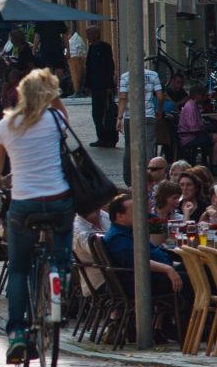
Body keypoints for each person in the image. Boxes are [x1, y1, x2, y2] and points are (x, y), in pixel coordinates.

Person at [0, 68, 73, 365]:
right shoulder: (56, 119)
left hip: (24, 205)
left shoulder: (6, 125)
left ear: (19, 94)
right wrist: (52, 95)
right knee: (61, 249)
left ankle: (18, 334)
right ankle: (61, 277)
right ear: (47, 96)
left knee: (19, 269)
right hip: (58, 201)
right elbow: (63, 115)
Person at [102, 194, 186, 342]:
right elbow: (137, 263)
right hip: (143, 283)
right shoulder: (118, 237)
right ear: (120, 216)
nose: (140, 215)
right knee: (194, 280)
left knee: (195, 270)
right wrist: (168, 269)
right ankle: (187, 330)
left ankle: (172, 327)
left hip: (152, 277)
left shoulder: (130, 232)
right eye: (134, 212)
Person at [117, 65, 164, 187]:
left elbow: (122, 97)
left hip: (130, 117)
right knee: (149, 146)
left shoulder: (125, 77)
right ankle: (150, 177)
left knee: (129, 147)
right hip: (148, 115)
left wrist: (119, 117)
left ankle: (129, 180)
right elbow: (160, 96)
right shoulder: (153, 75)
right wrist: (159, 110)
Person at [84, 26, 115, 148]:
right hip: (95, 86)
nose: (87, 37)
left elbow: (109, 66)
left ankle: (110, 138)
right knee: (96, 113)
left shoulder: (105, 47)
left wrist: (109, 85)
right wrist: (87, 84)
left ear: (97, 34)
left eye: (89, 34)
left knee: (107, 113)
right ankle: (101, 137)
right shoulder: (91, 48)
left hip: (104, 86)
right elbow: (89, 67)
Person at [73, 206, 111, 297]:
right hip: (101, 281)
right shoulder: (78, 230)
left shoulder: (103, 215)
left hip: (120, 273)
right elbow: (104, 254)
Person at [66, 23, 87, 97]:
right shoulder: (76, 39)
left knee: (76, 76)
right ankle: (77, 91)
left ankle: (77, 91)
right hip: (77, 57)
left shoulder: (74, 40)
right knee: (77, 76)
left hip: (75, 57)